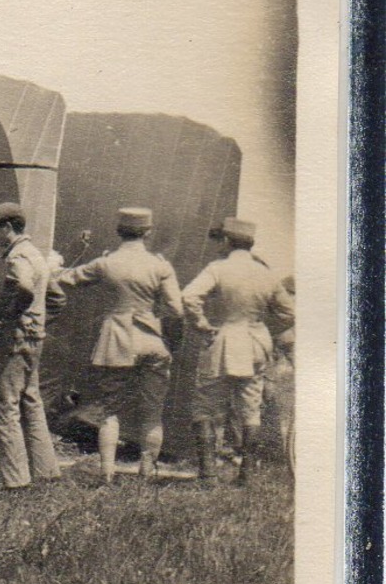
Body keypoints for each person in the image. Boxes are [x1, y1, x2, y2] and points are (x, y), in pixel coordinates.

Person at [55, 206, 184, 483]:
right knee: (152, 412)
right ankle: (147, 473)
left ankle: (108, 474)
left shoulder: (106, 263)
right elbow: (176, 309)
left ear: (118, 231)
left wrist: (54, 265)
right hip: (152, 340)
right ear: (148, 233)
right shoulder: (160, 265)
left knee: (109, 411)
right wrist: (152, 316)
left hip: (117, 343)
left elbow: (67, 279)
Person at [181, 217, 294, 486]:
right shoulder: (265, 274)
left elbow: (189, 296)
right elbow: (290, 312)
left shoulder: (218, 268)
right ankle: (247, 473)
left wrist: (202, 324)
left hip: (223, 340)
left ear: (227, 241)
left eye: (221, 239)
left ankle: (208, 475)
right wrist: (262, 326)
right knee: (250, 408)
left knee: (205, 406)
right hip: (256, 342)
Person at [0, 201, 61, 489]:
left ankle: (16, 483)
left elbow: (25, 288)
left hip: (14, 341)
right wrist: (36, 325)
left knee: (5, 407)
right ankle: (47, 473)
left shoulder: (17, 257)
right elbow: (56, 299)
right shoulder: (37, 255)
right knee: (31, 401)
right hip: (33, 340)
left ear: (7, 228)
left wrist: (9, 321)